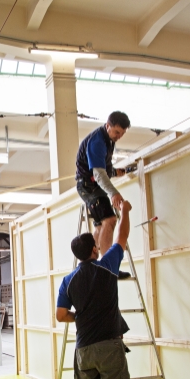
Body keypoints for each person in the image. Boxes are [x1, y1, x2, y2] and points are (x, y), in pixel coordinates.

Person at [55, 200, 138, 379]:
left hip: (83, 349)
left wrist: (80, 316)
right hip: (109, 346)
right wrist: (124, 211)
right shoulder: (107, 265)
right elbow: (122, 236)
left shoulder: (68, 281)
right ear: (95, 250)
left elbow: (60, 315)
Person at [76, 111, 131, 269]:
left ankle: (92, 266)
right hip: (89, 185)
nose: (119, 136)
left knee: (101, 226)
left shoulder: (109, 140)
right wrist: (113, 192)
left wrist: (114, 172)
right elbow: (98, 174)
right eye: (117, 132)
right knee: (110, 220)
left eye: (122, 133)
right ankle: (107, 268)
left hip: (92, 184)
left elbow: (103, 169)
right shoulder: (98, 141)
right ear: (108, 126)